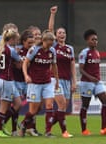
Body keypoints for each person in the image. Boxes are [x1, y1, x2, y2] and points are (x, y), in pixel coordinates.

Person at [19, 30, 59, 137]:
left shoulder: (52, 51)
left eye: (52, 43)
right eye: (49, 42)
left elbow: (54, 66)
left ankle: (48, 132)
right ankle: (23, 124)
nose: (51, 45)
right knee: (34, 110)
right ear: (43, 41)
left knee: (50, 105)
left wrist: (57, 80)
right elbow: (25, 63)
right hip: (34, 83)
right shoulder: (34, 50)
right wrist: (26, 75)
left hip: (47, 82)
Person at [46, 6, 76, 138]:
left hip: (66, 80)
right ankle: (64, 132)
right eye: (59, 33)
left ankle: (48, 127)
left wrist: (74, 81)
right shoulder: (53, 46)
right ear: (56, 35)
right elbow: (50, 30)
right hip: (55, 79)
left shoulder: (70, 49)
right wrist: (53, 14)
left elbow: (72, 65)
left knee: (62, 109)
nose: (61, 34)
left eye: (63, 33)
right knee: (62, 105)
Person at [78, 29, 106, 136]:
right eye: (92, 39)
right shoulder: (84, 53)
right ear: (87, 40)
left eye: (96, 39)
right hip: (86, 83)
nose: (95, 41)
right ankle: (84, 130)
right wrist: (90, 77)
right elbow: (81, 69)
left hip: (97, 82)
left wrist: (97, 78)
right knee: (85, 105)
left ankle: (104, 129)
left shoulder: (97, 53)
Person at [0, 29, 22, 137]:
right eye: (16, 39)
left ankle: (1, 125)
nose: (17, 42)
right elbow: (19, 64)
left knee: (18, 103)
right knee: (4, 106)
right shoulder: (10, 50)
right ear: (12, 39)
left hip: (4, 78)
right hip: (7, 80)